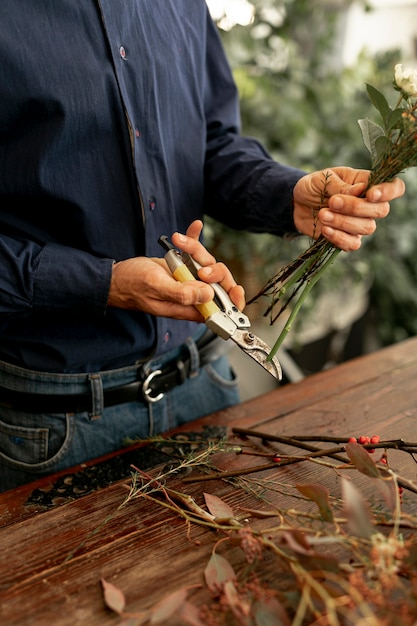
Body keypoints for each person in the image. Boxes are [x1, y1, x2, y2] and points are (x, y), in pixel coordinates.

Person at [0, 1, 404, 492]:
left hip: (203, 386)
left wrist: (287, 196)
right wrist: (103, 284)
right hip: (52, 425)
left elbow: (207, 143)